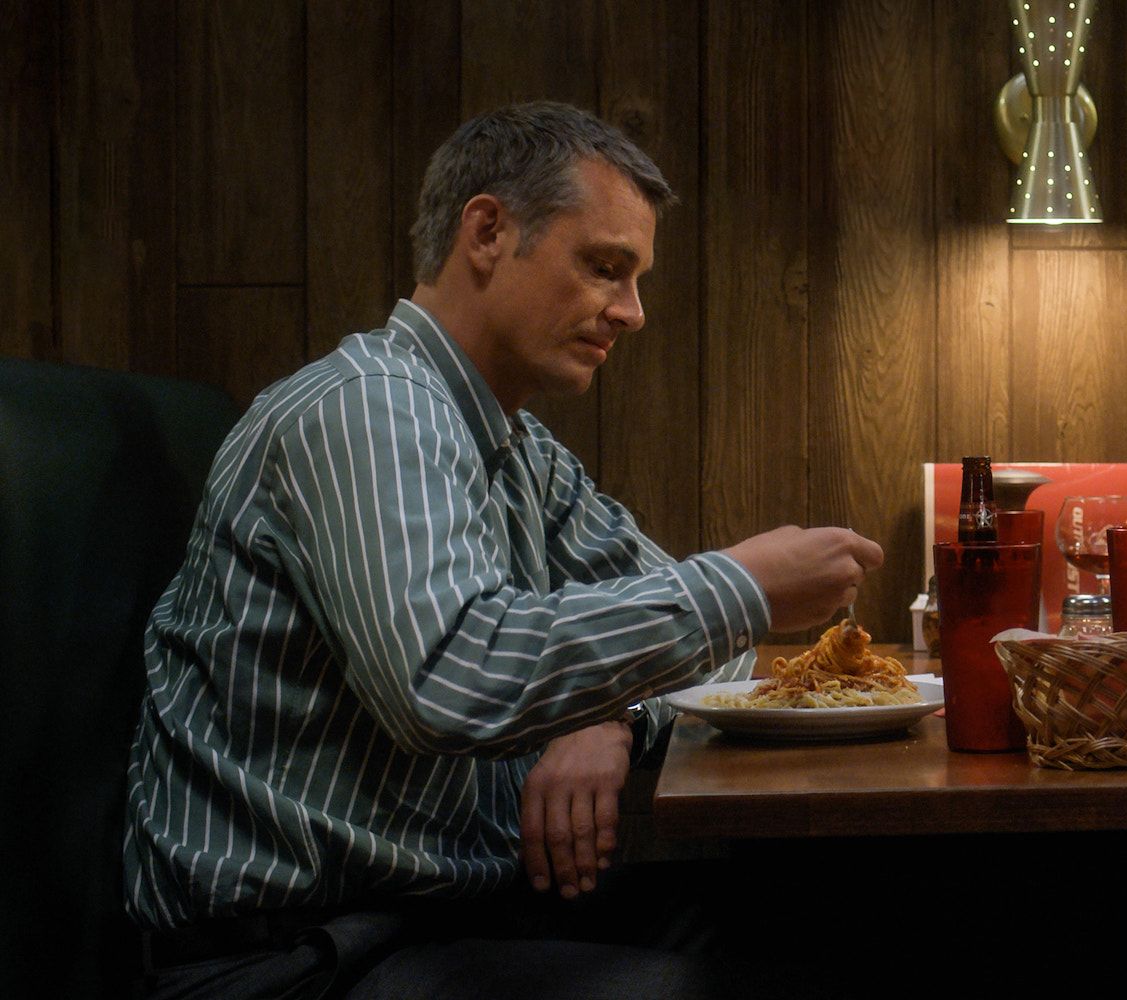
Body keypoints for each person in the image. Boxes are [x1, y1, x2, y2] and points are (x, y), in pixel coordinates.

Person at [123, 101, 883, 999]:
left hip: (448, 916)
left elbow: (693, 639)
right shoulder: (367, 409)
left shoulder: (518, 449)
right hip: (291, 954)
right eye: (606, 268)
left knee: (827, 916)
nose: (632, 313)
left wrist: (610, 720)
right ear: (487, 231)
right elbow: (448, 679)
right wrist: (743, 587)